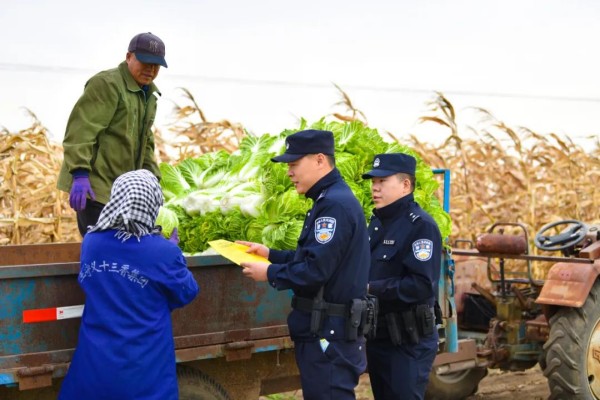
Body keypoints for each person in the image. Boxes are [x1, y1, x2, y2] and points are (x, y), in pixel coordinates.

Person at [239, 129, 371, 400]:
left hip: (330, 334)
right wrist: (271, 254)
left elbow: (315, 272)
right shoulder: (327, 200)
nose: (289, 172)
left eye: (294, 164)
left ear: (320, 160)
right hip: (324, 331)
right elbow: (315, 258)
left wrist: (270, 273)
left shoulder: (333, 205)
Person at [58, 169, 199, 400]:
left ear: (116, 198)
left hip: (94, 369)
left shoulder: (91, 242)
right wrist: (173, 253)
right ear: (152, 204)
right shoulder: (163, 251)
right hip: (143, 373)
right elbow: (187, 292)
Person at [57, 32, 167, 237]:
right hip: (96, 188)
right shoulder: (107, 84)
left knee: (122, 253)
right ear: (128, 57)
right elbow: (81, 130)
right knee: (105, 250)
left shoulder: (148, 94)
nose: (150, 69)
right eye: (145, 62)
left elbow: (146, 143)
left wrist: (154, 180)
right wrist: (80, 174)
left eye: (156, 65)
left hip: (125, 193)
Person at [362, 153, 441, 400]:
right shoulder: (376, 223)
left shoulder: (420, 226)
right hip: (380, 337)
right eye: (373, 181)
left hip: (408, 342)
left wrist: (369, 288)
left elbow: (419, 286)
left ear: (406, 185)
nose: (375, 187)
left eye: (383, 181)